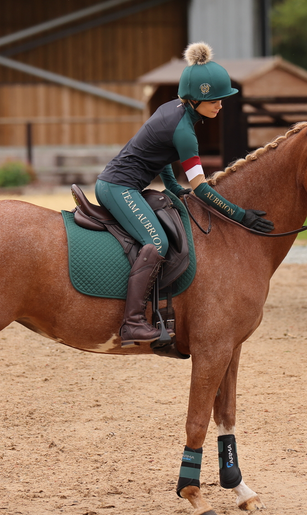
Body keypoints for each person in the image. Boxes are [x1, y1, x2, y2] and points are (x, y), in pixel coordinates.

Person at [96, 42, 274, 347]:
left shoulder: (174, 111)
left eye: (222, 99)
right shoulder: (184, 131)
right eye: (215, 99)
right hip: (118, 188)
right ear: (194, 100)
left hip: (126, 184)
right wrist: (240, 215)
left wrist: (172, 186)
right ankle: (132, 322)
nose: (220, 104)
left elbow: (162, 154)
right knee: (157, 241)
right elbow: (202, 190)